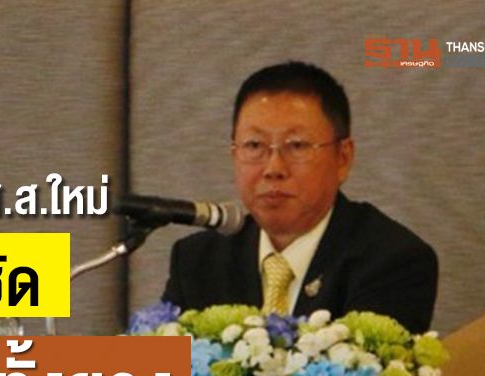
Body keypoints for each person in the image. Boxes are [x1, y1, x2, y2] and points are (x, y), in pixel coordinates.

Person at [162, 61, 438, 333]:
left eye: (297, 146)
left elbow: (367, 362)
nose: (273, 169)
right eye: (254, 145)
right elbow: (157, 364)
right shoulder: (197, 260)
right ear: (234, 155)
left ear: (343, 158)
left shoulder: (392, 261)